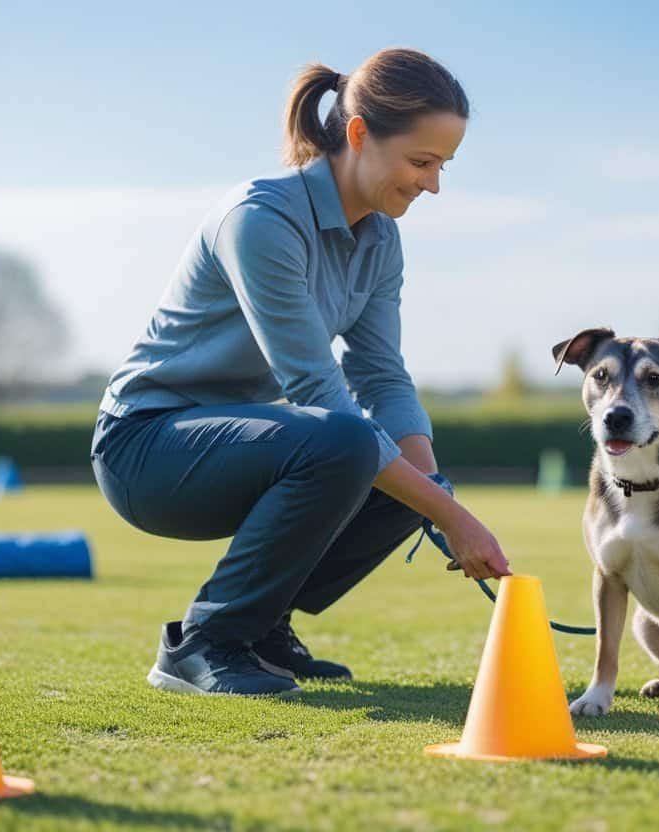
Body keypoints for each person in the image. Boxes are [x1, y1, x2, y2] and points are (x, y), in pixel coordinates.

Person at [90, 48, 511, 698]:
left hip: (257, 445)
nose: (433, 185)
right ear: (359, 134)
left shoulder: (380, 239)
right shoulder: (260, 219)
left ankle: (262, 629)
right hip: (144, 451)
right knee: (346, 444)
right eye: (421, 162)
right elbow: (321, 392)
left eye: (442, 166)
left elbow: (382, 376)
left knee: (413, 473)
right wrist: (453, 518)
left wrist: (436, 492)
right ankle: (205, 642)